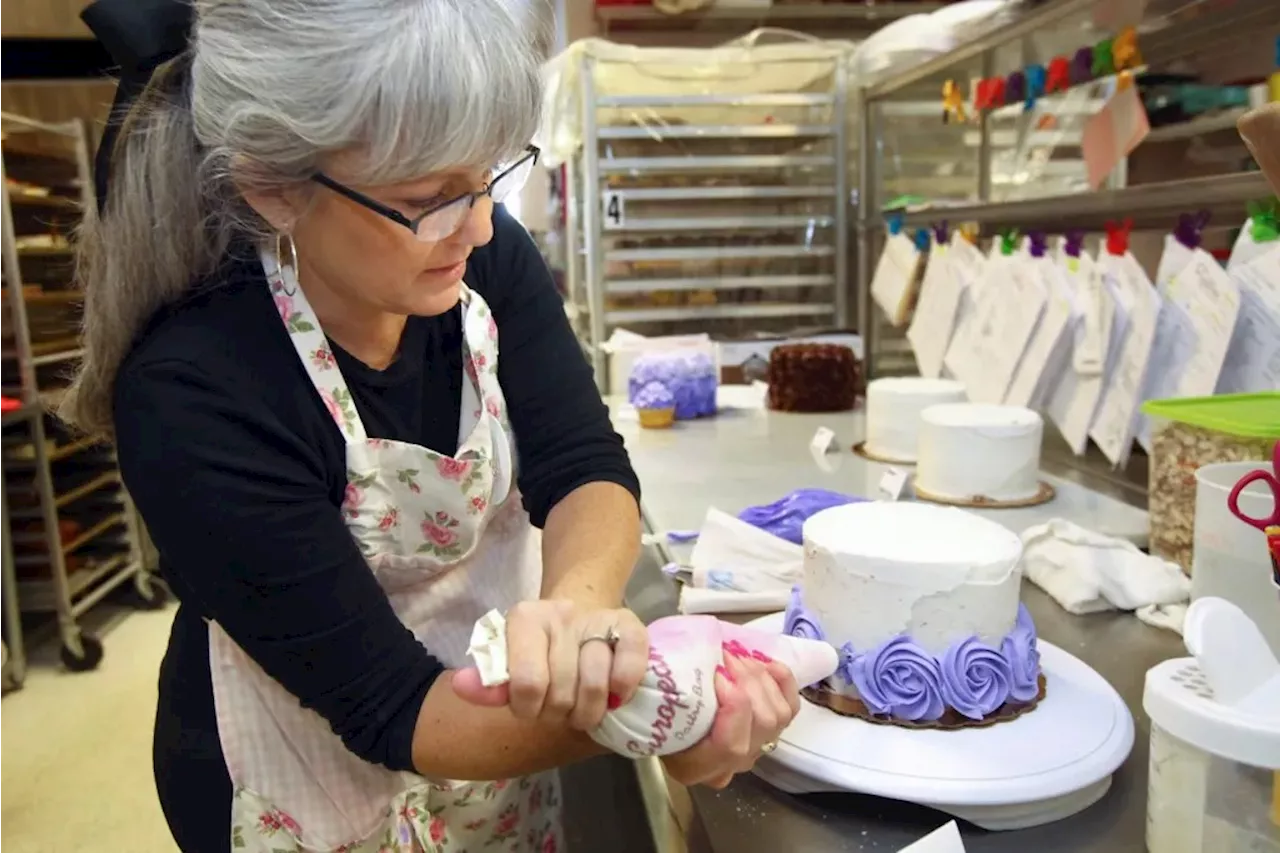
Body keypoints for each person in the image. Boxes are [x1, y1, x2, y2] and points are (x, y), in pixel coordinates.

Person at [69, 1, 803, 851]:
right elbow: (395, 709)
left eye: (488, 176)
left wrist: (580, 613)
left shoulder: (481, 261)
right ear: (272, 185)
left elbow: (583, 466)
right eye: (428, 198)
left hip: (493, 751)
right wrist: (668, 709)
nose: (481, 224)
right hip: (307, 770)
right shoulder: (195, 391)